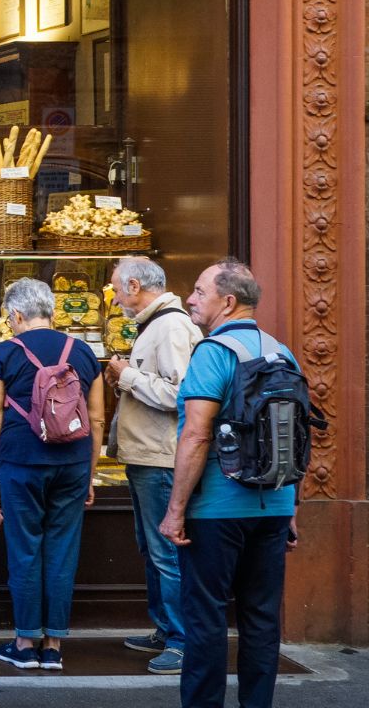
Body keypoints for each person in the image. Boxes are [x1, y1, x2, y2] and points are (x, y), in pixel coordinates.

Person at [160, 259, 307, 708]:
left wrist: (176, 509)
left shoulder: (213, 353)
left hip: (216, 510)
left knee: (205, 619)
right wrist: (291, 507)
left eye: (200, 291)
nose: (190, 298)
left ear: (227, 302)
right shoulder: (282, 351)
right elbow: (296, 434)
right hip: (274, 505)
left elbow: (196, 433)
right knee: (261, 619)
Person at [0, 278, 104, 673]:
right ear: (50, 311)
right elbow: (98, 417)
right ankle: (53, 645)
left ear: (17, 315)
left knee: (25, 547)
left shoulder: (3, 353)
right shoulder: (83, 352)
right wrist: (90, 474)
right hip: (71, 463)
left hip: (21, 462)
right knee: (62, 550)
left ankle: (24, 641)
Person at [105, 256, 199, 674]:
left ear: (134, 285)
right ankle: (165, 628)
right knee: (152, 549)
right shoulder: (155, 324)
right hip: (145, 453)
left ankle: (182, 640)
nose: (112, 295)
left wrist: (127, 376)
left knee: (165, 552)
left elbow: (181, 395)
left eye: (114, 286)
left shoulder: (172, 326)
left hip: (161, 456)